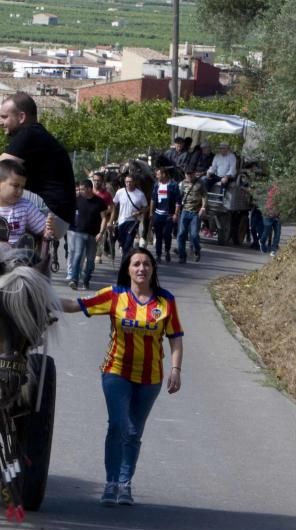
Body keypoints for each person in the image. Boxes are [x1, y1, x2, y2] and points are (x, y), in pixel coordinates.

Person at [61, 247, 183, 506]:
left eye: (146, 264)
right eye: (136, 264)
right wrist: (43, 298)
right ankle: (111, 482)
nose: (141, 269)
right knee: (118, 425)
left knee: (134, 431)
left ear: (153, 270)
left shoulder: (165, 301)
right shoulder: (114, 296)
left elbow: (175, 339)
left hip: (150, 378)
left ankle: (126, 484)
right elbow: (77, 305)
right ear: (127, 269)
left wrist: (175, 369)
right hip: (116, 371)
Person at [0, 91, 76, 227]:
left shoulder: (29, 134)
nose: (0, 123)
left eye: (4, 117)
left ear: (21, 117)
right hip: (60, 213)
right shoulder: (36, 134)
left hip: (51, 213)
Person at [0, 159, 54, 246]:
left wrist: (48, 230)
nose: (20, 191)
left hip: (15, 255)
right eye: (16, 186)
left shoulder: (25, 206)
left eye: (22, 187)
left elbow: (43, 229)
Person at [68, 179, 108, 291]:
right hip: (79, 233)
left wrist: (101, 232)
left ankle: (86, 280)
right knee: (77, 255)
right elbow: (70, 211)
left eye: (82, 189)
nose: (79, 191)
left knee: (90, 260)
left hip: (93, 235)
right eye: (79, 189)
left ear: (89, 189)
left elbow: (104, 218)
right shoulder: (78, 199)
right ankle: (74, 280)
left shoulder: (99, 202)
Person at [111, 175, 148, 256]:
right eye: (127, 182)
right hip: (121, 222)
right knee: (123, 243)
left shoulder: (140, 194)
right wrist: (111, 220)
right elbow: (113, 204)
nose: (128, 183)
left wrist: (139, 212)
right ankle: (128, 257)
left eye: (130, 181)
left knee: (128, 244)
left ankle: (124, 264)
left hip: (133, 222)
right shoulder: (120, 192)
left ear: (134, 182)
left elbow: (146, 207)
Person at [150, 167, 180, 263]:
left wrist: (176, 214)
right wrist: (151, 212)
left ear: (164, 174)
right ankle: (158, 255)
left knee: (167, 234)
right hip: (158, 214)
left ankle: (167, 250)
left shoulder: (173, 185)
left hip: (169, 215)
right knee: (158, 236)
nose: (156, 176)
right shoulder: (156, 185)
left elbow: (178, 201)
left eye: (158, 174)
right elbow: (153, 200)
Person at [176, 169, 206, 263]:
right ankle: (182, 256)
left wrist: (203, 208)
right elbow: (178, 197)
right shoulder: (182, 184)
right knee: (181, 234)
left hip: (195, 212)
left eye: (190, 174)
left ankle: (197, 249)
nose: (189, 176)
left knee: (194, 235)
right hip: (185, 211)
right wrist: (176, 211)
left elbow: (205, 196)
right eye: (187, 174)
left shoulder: (200, 183)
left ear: (194, 174)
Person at [261, 183, 281, 256]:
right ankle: (262, 242)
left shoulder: (282, 192)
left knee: (277, 233)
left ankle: (273, 249)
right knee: (267, 231)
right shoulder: (268, 192)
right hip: (268, 215)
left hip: (277, 216)